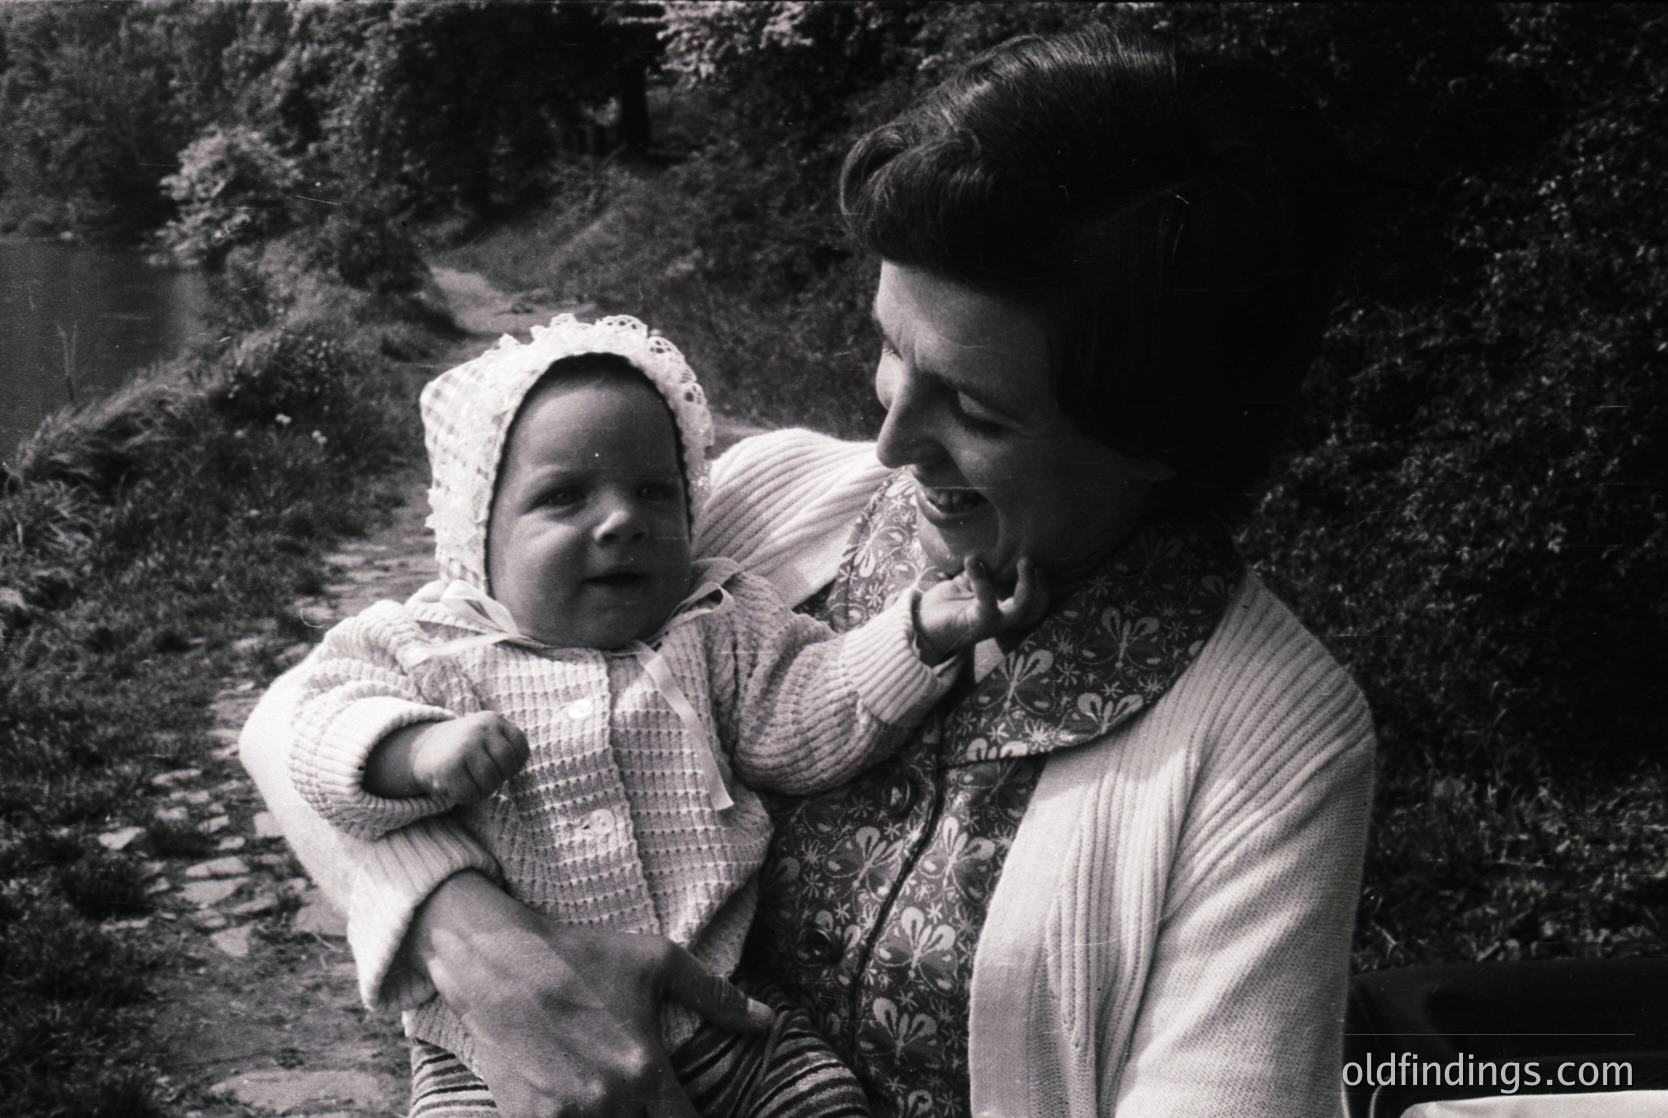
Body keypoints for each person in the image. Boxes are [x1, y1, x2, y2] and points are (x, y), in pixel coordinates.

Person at [241, 21, 1375, 1118]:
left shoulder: (1270, 741)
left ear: (1164, 435)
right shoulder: (779, 503)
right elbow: (294, 719)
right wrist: (476, 943)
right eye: (891, 346)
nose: (889, 442)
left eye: (973, 407)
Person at [284, 313, 1041, 1117]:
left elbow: (804, 712)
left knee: (826, 1099)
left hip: (725, 1016)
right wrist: (413, 749)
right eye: (564, 495)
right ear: (481, 535)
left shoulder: (716, 619)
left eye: (655, 490)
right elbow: (317, 722)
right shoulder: (429, 643)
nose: (623, 519)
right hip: (496, 1051)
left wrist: (917, 633)